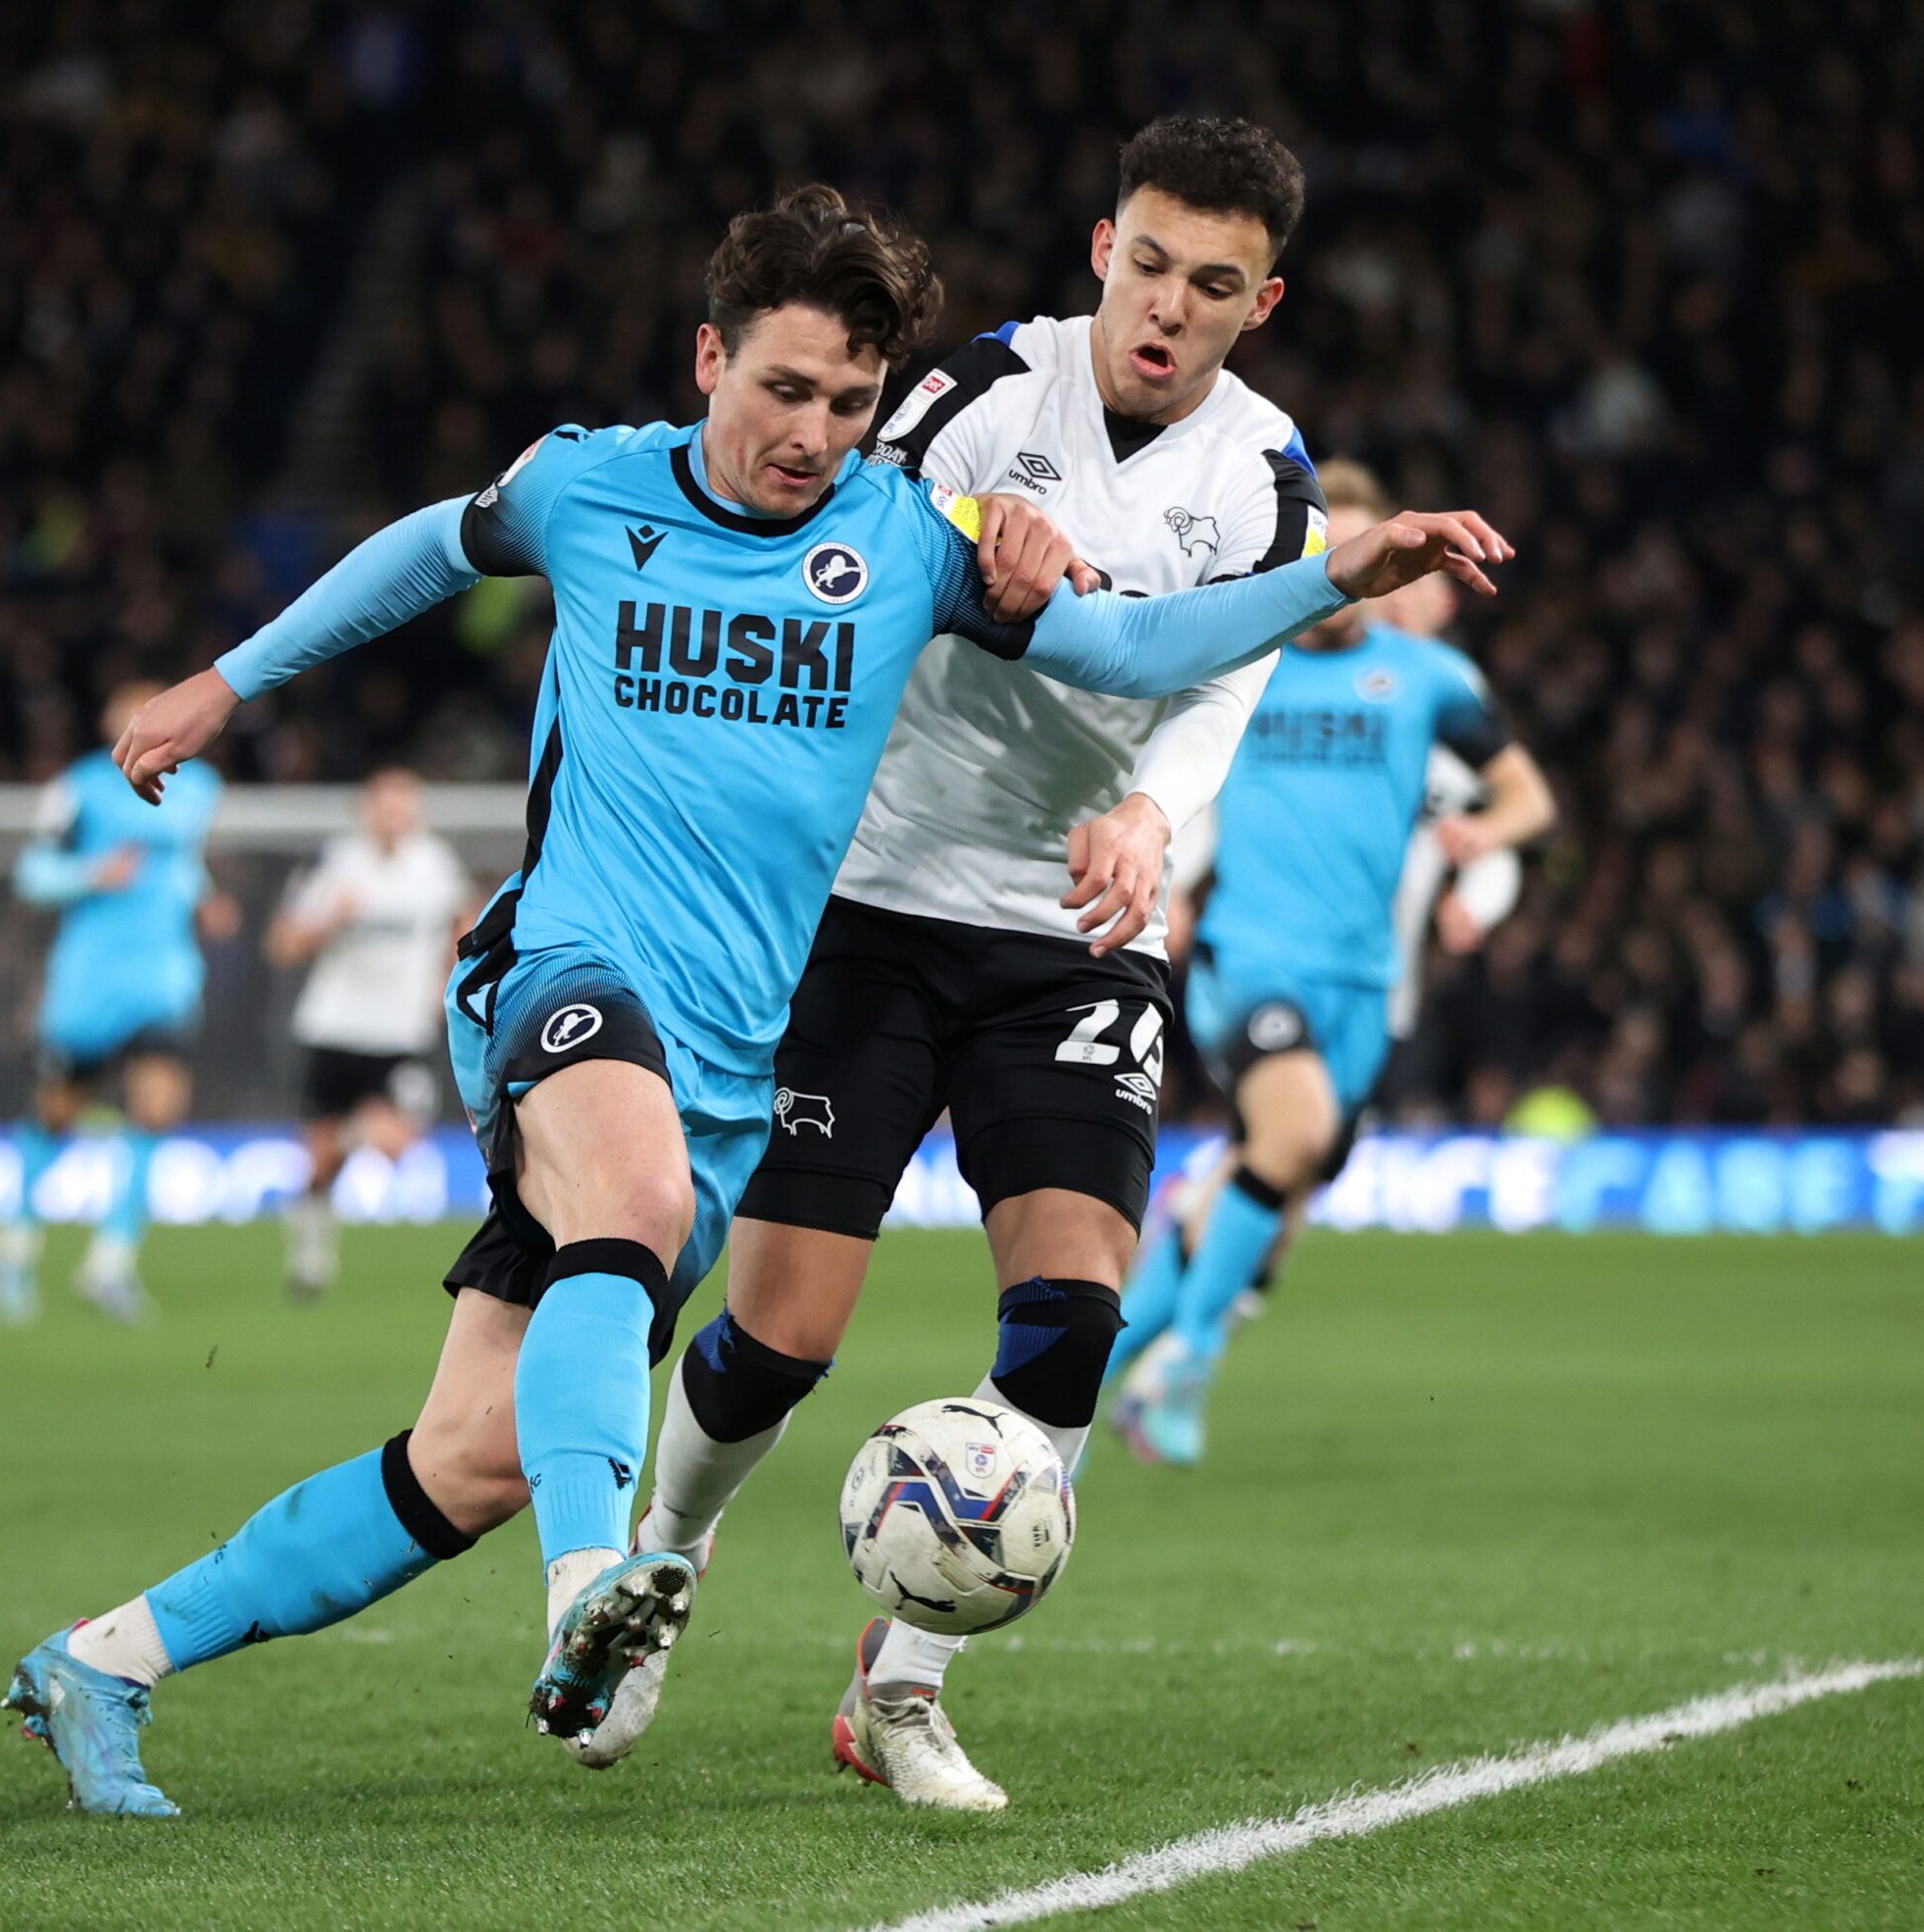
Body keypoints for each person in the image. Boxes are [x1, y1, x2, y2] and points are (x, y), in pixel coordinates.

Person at [0, 184, 1502, 1816]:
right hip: (558, 971)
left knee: (469, 1462)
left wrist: (1335, 570)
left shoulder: (911, 550)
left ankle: (106, 1661)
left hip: (726, 1066)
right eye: (781, 388)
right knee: (627, 1216)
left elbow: (1140, 663)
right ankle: (601, 1600)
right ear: (710, 356)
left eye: (848, 404)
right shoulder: (591, 487)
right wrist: (230, 681)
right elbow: (424, 550)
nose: (811, 432)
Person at [578, 114, 1325, 1810]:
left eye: (1213, 285)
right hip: (871, 901)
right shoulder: (985, 387)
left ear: (1258, 305)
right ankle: (660, 1573)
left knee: (1071, 1321)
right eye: (1148, 264)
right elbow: (851, 510)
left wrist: (1149, 818)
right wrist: (989, 518)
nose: (1169, 307)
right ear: (1099, 249)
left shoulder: (1268, 478)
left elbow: (1224, 680)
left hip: (1072, 934)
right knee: (782, 1333)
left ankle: (902, 1687)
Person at [1105, 459, 1555, 1465]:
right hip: (1250, 961)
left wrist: (1490, 834)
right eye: (1329, 553)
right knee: (1292, 1131)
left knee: (1279, 1177)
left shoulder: (1429, 681)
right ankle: (1190, 1359)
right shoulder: (1241, 657)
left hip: (1366, 989)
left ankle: (1082, 1396)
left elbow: (1530, 797)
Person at [0, 683, 230, 1326]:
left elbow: (181, 863)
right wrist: (90, 874)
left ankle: (111, 1264)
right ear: (110, 723)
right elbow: (31, 875)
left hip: (164, 981)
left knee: (157, 1110)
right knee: (58, 1116)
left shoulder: (199, 788)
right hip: (91, 986)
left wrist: (205, 897)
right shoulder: (78, 788)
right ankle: (13, 1251)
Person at [267, 766, 472, 1300]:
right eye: (386, 805)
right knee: (318, 1169)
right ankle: (311, 1257)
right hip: (333, 1027)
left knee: (399, 1143)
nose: (395, 817)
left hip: (399, 1033)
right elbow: (283, 945)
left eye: (404, 806)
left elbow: (463, 926)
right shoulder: (336, 866)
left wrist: (449, 977)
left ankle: (352, 1133)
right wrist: (327, 921)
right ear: (367, 810)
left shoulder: (435, 865)